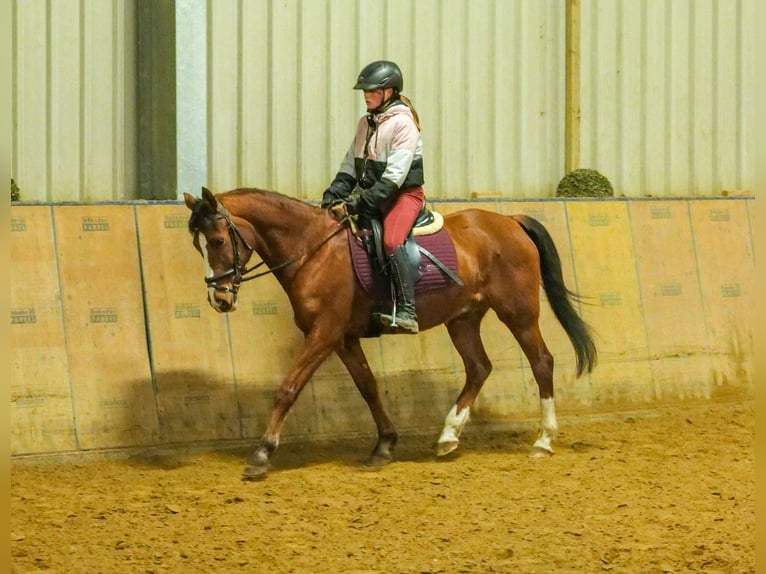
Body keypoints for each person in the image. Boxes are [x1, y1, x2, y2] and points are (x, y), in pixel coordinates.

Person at [321, 60, 425, 334]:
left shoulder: (404, 124)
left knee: (391, 240)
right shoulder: (365, 124)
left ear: (389, 92)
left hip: (403, 196)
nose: (366, 95)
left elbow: (394, 178)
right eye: (364, 91)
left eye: (372, 90)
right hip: (373, 195)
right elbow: (349, 167)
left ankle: (407, 310)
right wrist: (333, 195)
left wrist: (358, 202)